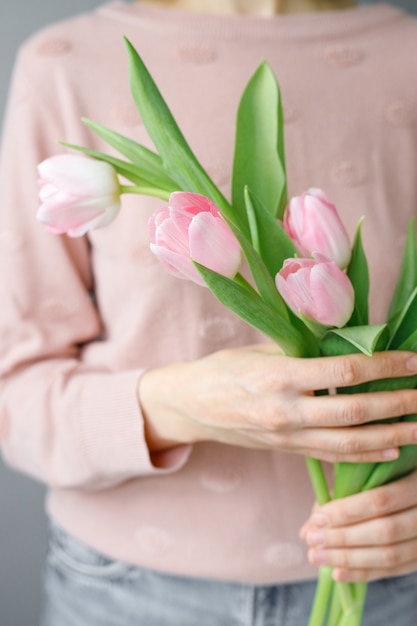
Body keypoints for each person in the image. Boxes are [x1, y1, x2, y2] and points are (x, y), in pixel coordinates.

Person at [1, 0, 417, 624]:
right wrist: (179, 404)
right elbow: (14, 395)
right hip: (124, 591)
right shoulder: (66, 64)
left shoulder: (405, 55)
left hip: (390, 581)